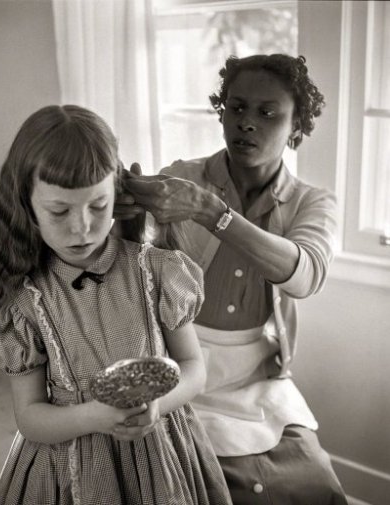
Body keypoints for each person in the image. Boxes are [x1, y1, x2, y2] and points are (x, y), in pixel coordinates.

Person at [117, 54, 348, 504]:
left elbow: (305, 276)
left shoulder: (312, 203)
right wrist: (125, 214)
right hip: (176, 360)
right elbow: (133, 261)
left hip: (255, 373)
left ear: (296, 127)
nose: (247, 123)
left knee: (314, 483)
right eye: (236, 107)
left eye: (268, 113)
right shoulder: (181, 177)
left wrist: (212, 212)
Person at [0, 104, 232, 505]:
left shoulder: (158, 271)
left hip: (160, 452)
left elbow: (195, 370)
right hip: (72, 462)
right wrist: (94, 416)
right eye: (60, 211)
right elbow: (29, 416)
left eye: (98, 206)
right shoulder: (24, 304)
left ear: (116, 193)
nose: (82, 228)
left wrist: (156, 404)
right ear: (26, 205)